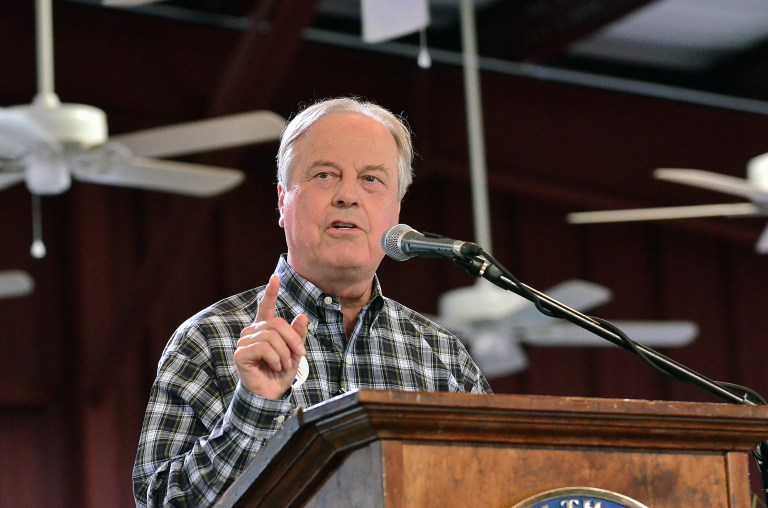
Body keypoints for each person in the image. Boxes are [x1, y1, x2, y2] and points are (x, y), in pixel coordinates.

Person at [132, 97, 492, 507]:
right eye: (325, 174)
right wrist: (254, 409)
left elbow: (498, 487)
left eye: (372, 179)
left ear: (396, 210)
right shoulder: (209, 338)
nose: (348, 196)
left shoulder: (443, 355)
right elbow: (161, 502)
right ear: (283, 201)